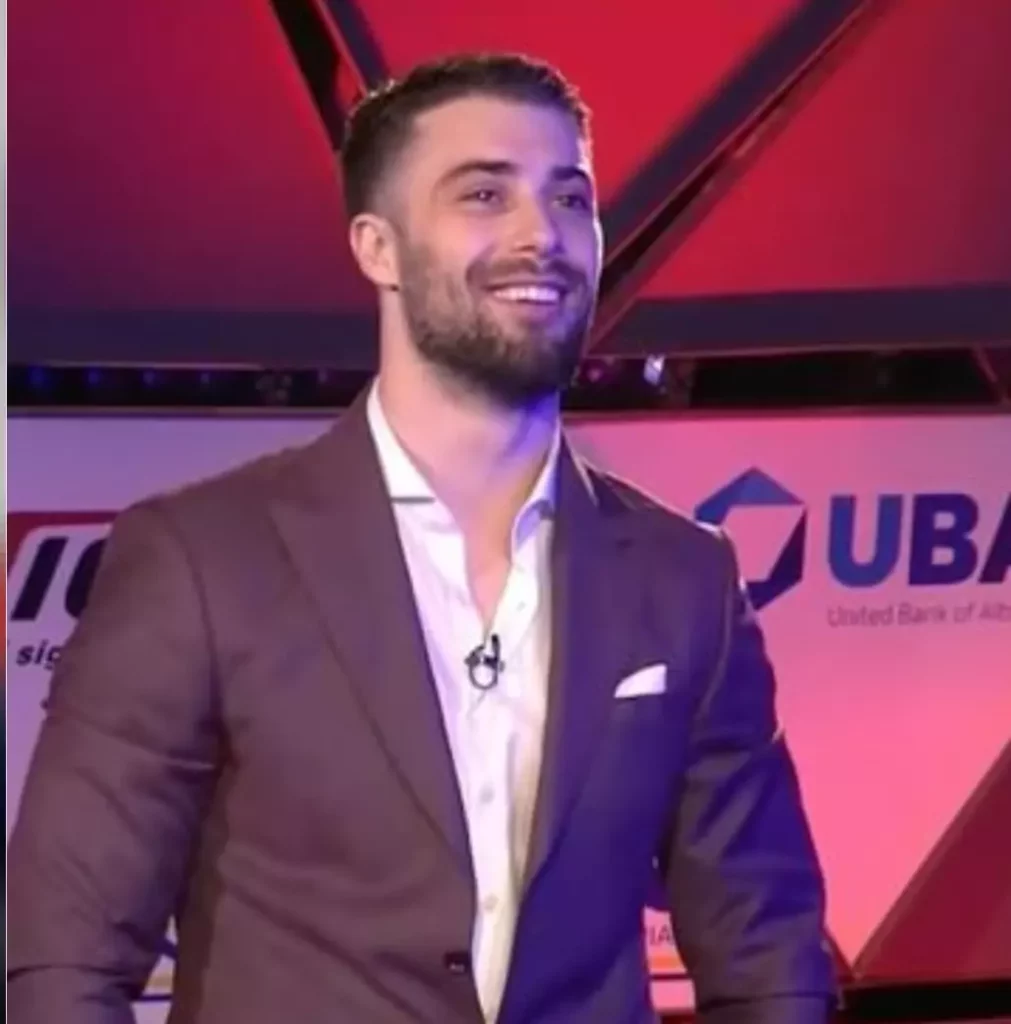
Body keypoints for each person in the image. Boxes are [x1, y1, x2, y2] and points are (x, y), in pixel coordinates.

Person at [7, 53, 837, 1024]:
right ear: (378, 248)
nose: (541, 234)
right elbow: (63, 960)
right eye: (484, 194)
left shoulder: (685, 576)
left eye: (569, 197)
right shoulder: (200, 559)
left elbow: (767, 953)